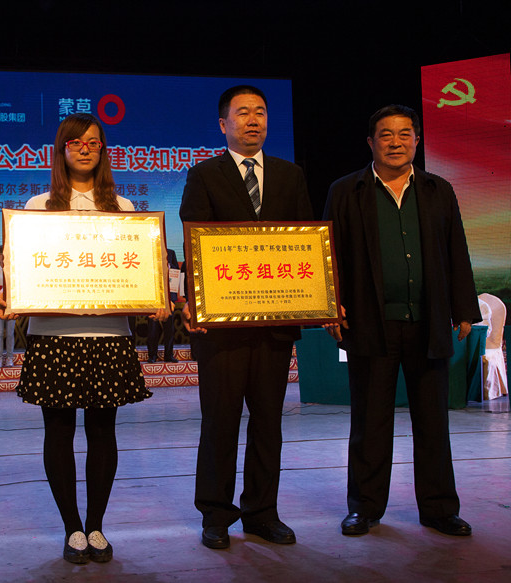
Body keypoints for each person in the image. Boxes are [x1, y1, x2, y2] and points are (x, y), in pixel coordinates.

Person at [7, 113, 165, 564]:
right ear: (61, 150)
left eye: (93, 142)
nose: (84, 149)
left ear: (103, 151)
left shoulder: (125, 210)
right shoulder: (37, 208)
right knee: (58, 432)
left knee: (102, 431)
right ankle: (71, 528)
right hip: (53, 336)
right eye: (75, 142)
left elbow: (139, 273)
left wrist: (154, 295)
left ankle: (96, 525)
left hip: (108, 334)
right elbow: (26, 271)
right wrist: (15, 294)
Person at [323, 104, 480, 537]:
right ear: (371, 142)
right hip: (369, 324)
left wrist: (464, 308)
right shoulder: (346, 190)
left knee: (433, 422)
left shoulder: (437, 189)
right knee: (370, 422)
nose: (396, 142)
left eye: (405, 134)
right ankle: (364, 508)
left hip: (428, 322)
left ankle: (439, 509)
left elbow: (456, 248)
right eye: (386, 135)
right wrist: (329, 306)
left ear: (417, 140)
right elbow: (328, 252)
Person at [179, 85, 314, 549]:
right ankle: (215, 514)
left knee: (268, 422)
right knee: (220, 421)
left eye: (260, 112)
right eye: (242, 113)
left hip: (275, 323)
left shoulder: (290, 175)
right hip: (222, 326)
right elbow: (194, 241)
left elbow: (306, 242)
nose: (253, 120)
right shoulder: (204, 175)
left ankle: (261, 513)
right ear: (224, 124)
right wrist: (193, 303)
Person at [147, 247, 180, 363]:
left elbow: (176, 275)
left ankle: (169, 355)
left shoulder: (171, 253)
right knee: (153, 329)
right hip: (154, 298)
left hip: (169, 299)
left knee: (169, 329)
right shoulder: (149, 252)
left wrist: (173, 299)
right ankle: (152, 355)